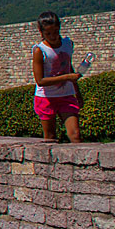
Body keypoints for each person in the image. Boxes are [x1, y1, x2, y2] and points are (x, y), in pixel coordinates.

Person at [32, 11, 85, 143]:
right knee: (50, 138)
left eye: (56, 32)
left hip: (66, 95)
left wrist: (77, 92)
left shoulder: (68, 44)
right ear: (41, 32)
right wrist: (67, 77)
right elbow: (40, 81)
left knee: (75, 134)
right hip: (46, 97)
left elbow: (68, 66)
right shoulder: (40, 51)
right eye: (48, 34)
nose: (53, 37)